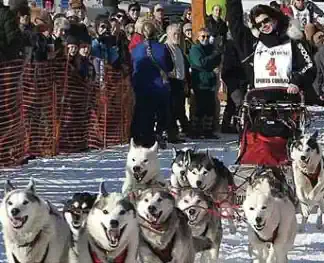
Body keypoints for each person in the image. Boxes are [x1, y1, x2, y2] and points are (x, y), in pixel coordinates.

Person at [226, 0, 316, 103]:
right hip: (259, 100)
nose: (263, 25)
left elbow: (309, 65)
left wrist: (296, 81)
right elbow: (235, 23)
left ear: (274, 19)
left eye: (266, 20)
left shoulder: (292, 40)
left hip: (287, 99)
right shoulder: (253, 43)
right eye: (259, 24)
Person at [131, 21, 173, 148]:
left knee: (145, 113)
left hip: (141, 87)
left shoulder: (136, 50)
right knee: (162, 113)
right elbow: (170, 66)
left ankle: (146, 137)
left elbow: (132, 66)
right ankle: (158, 133)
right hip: (159, 87)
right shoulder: (162, 48)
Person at [189, 28, 222, 138]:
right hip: (200, 82)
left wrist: (212, 61)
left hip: (210, 82)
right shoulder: (195, 49)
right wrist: (212, 59)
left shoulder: (211, 48)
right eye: (203, 36)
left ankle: (207, 131)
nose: (205, 39)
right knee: (199, 108)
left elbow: (217, 61)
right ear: (198, 37)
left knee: (210, 108)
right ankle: (195, 131)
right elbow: (201, 63)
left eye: (207, 36)